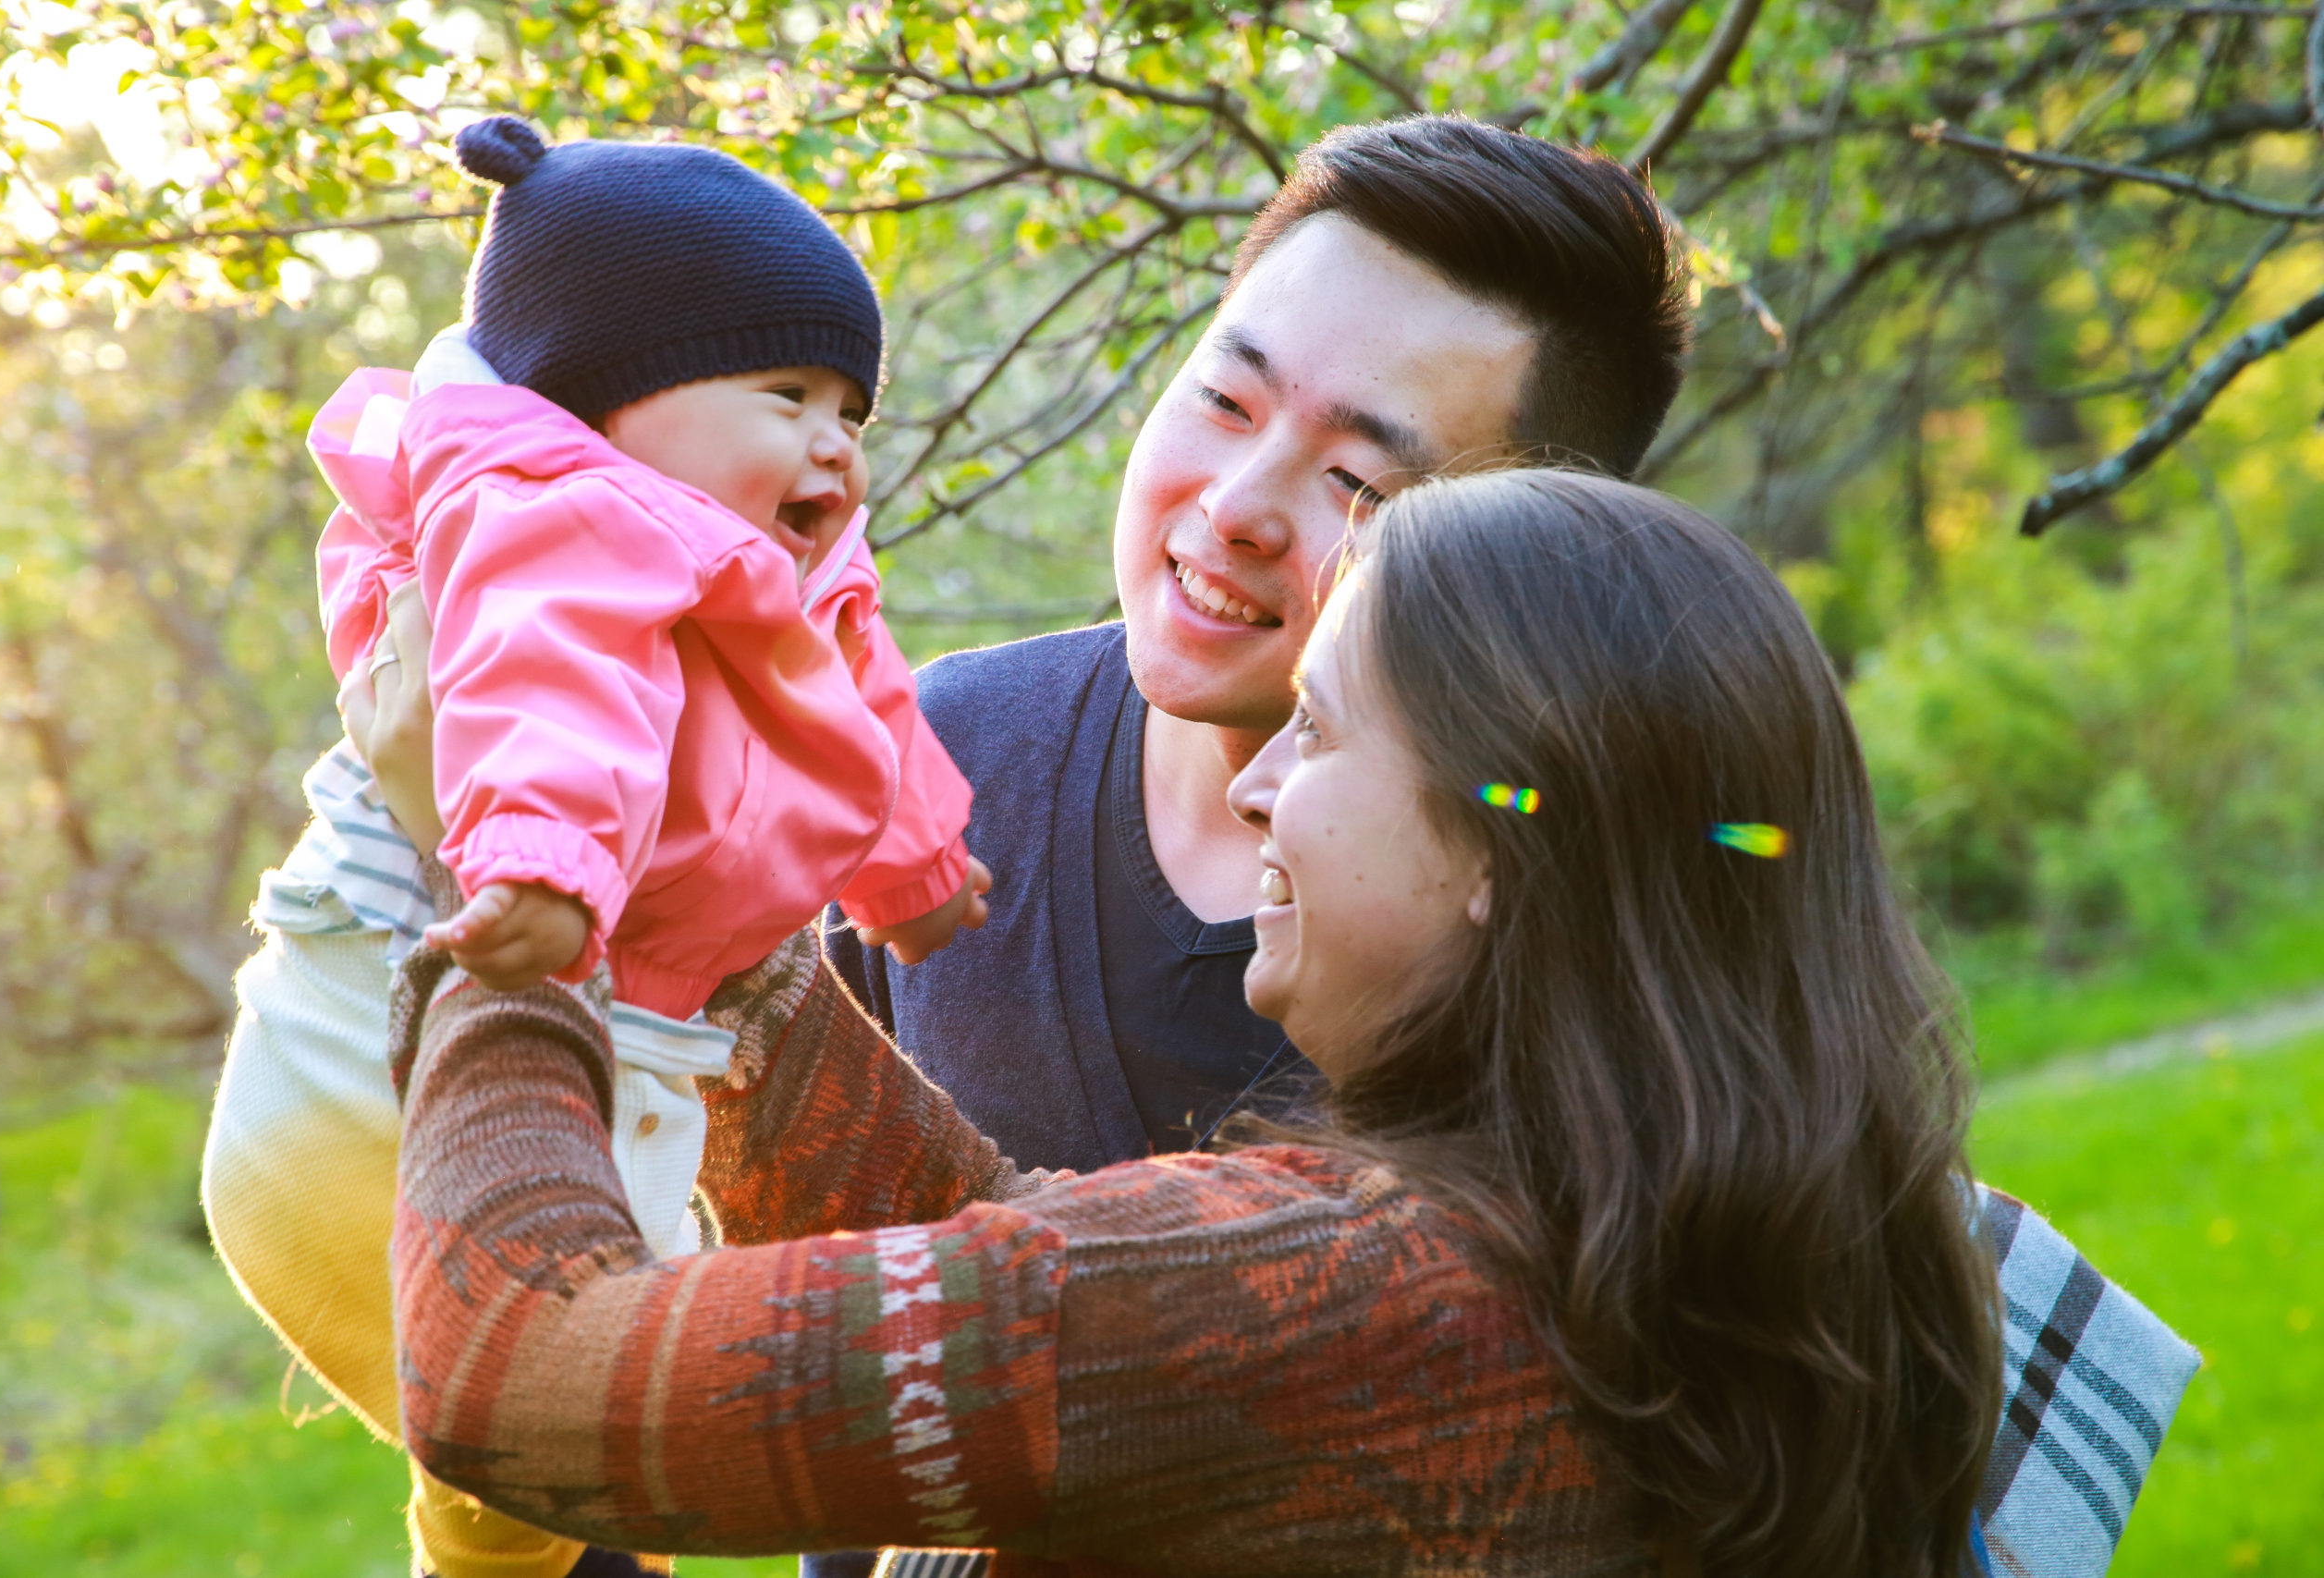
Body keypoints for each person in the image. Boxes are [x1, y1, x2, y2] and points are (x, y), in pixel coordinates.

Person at [375, 469, 2010, 1577]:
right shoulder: (1694, 1246)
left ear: (1505, 841)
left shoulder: (1365, 1303)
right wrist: (733, 943)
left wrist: (515, 913)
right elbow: (1045, 1276)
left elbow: (515, 1371)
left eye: (1317, 729)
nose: (1254, 782)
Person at [202, 116, 985, 1578]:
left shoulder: (757, 544)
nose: (832, 439)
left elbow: (857, 693)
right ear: (613, 401)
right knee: (545, 1447)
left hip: (560, 1070)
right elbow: (541, 690)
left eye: (849, 412)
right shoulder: (553, 515)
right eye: (785, 392)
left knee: (620, 1449)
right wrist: (548, 871)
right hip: (349, 1086)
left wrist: (914, 870)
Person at [822, 116, 1691, 1195]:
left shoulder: (1566, 939)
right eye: (1224, 401)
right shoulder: (935, 759)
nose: (1236, 510)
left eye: (1358, 483)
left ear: (1523, 548)